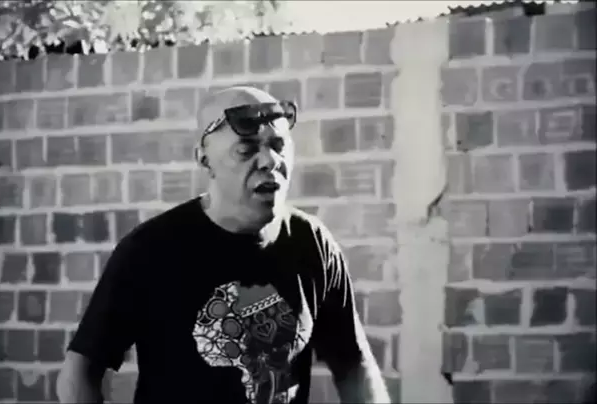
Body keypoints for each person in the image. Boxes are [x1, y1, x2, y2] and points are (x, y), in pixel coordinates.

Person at [56, 86, 390, 404]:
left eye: (278, 145)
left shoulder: (313, 243)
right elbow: (81, 371)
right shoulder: (150, 250)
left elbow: (354, 364)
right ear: (205, 160)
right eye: (246, 150)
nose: (269, 160)